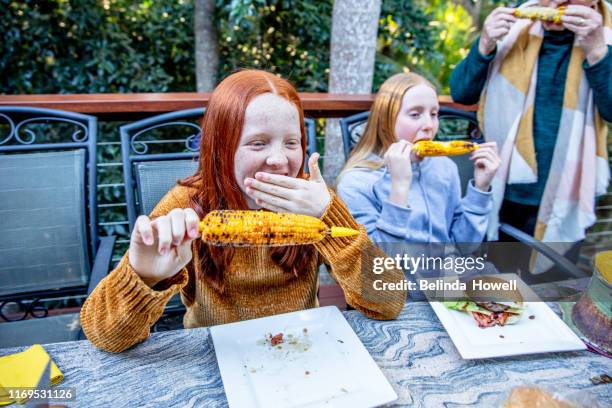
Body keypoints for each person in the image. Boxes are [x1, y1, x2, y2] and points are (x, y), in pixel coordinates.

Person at [81, 70, 406, 353]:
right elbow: (105, 335)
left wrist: (330, 216)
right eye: (258, 143)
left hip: (303, 350)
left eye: (291, 142)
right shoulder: (188, 205)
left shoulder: (313, 200)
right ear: (221, 149)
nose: (279, 159)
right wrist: (145, 276)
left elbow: (389, 302)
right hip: (216, 359)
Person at [450, 0, 611, 245]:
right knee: (499, 278)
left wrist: (598, 50)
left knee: (554, 283)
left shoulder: (606, 36)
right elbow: (461, 93)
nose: (555, 3)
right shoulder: (513, 26)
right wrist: (485, 43)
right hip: (503, 184)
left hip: (570, 191)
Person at [336, 73, 501, 244]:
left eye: (434, 114)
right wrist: (399, 186)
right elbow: (375, 265)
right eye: (415, 114)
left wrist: (481, 188)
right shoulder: (355, 182)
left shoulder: (445, 167)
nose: (429, 126)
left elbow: (464, 246)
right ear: (386, 120)